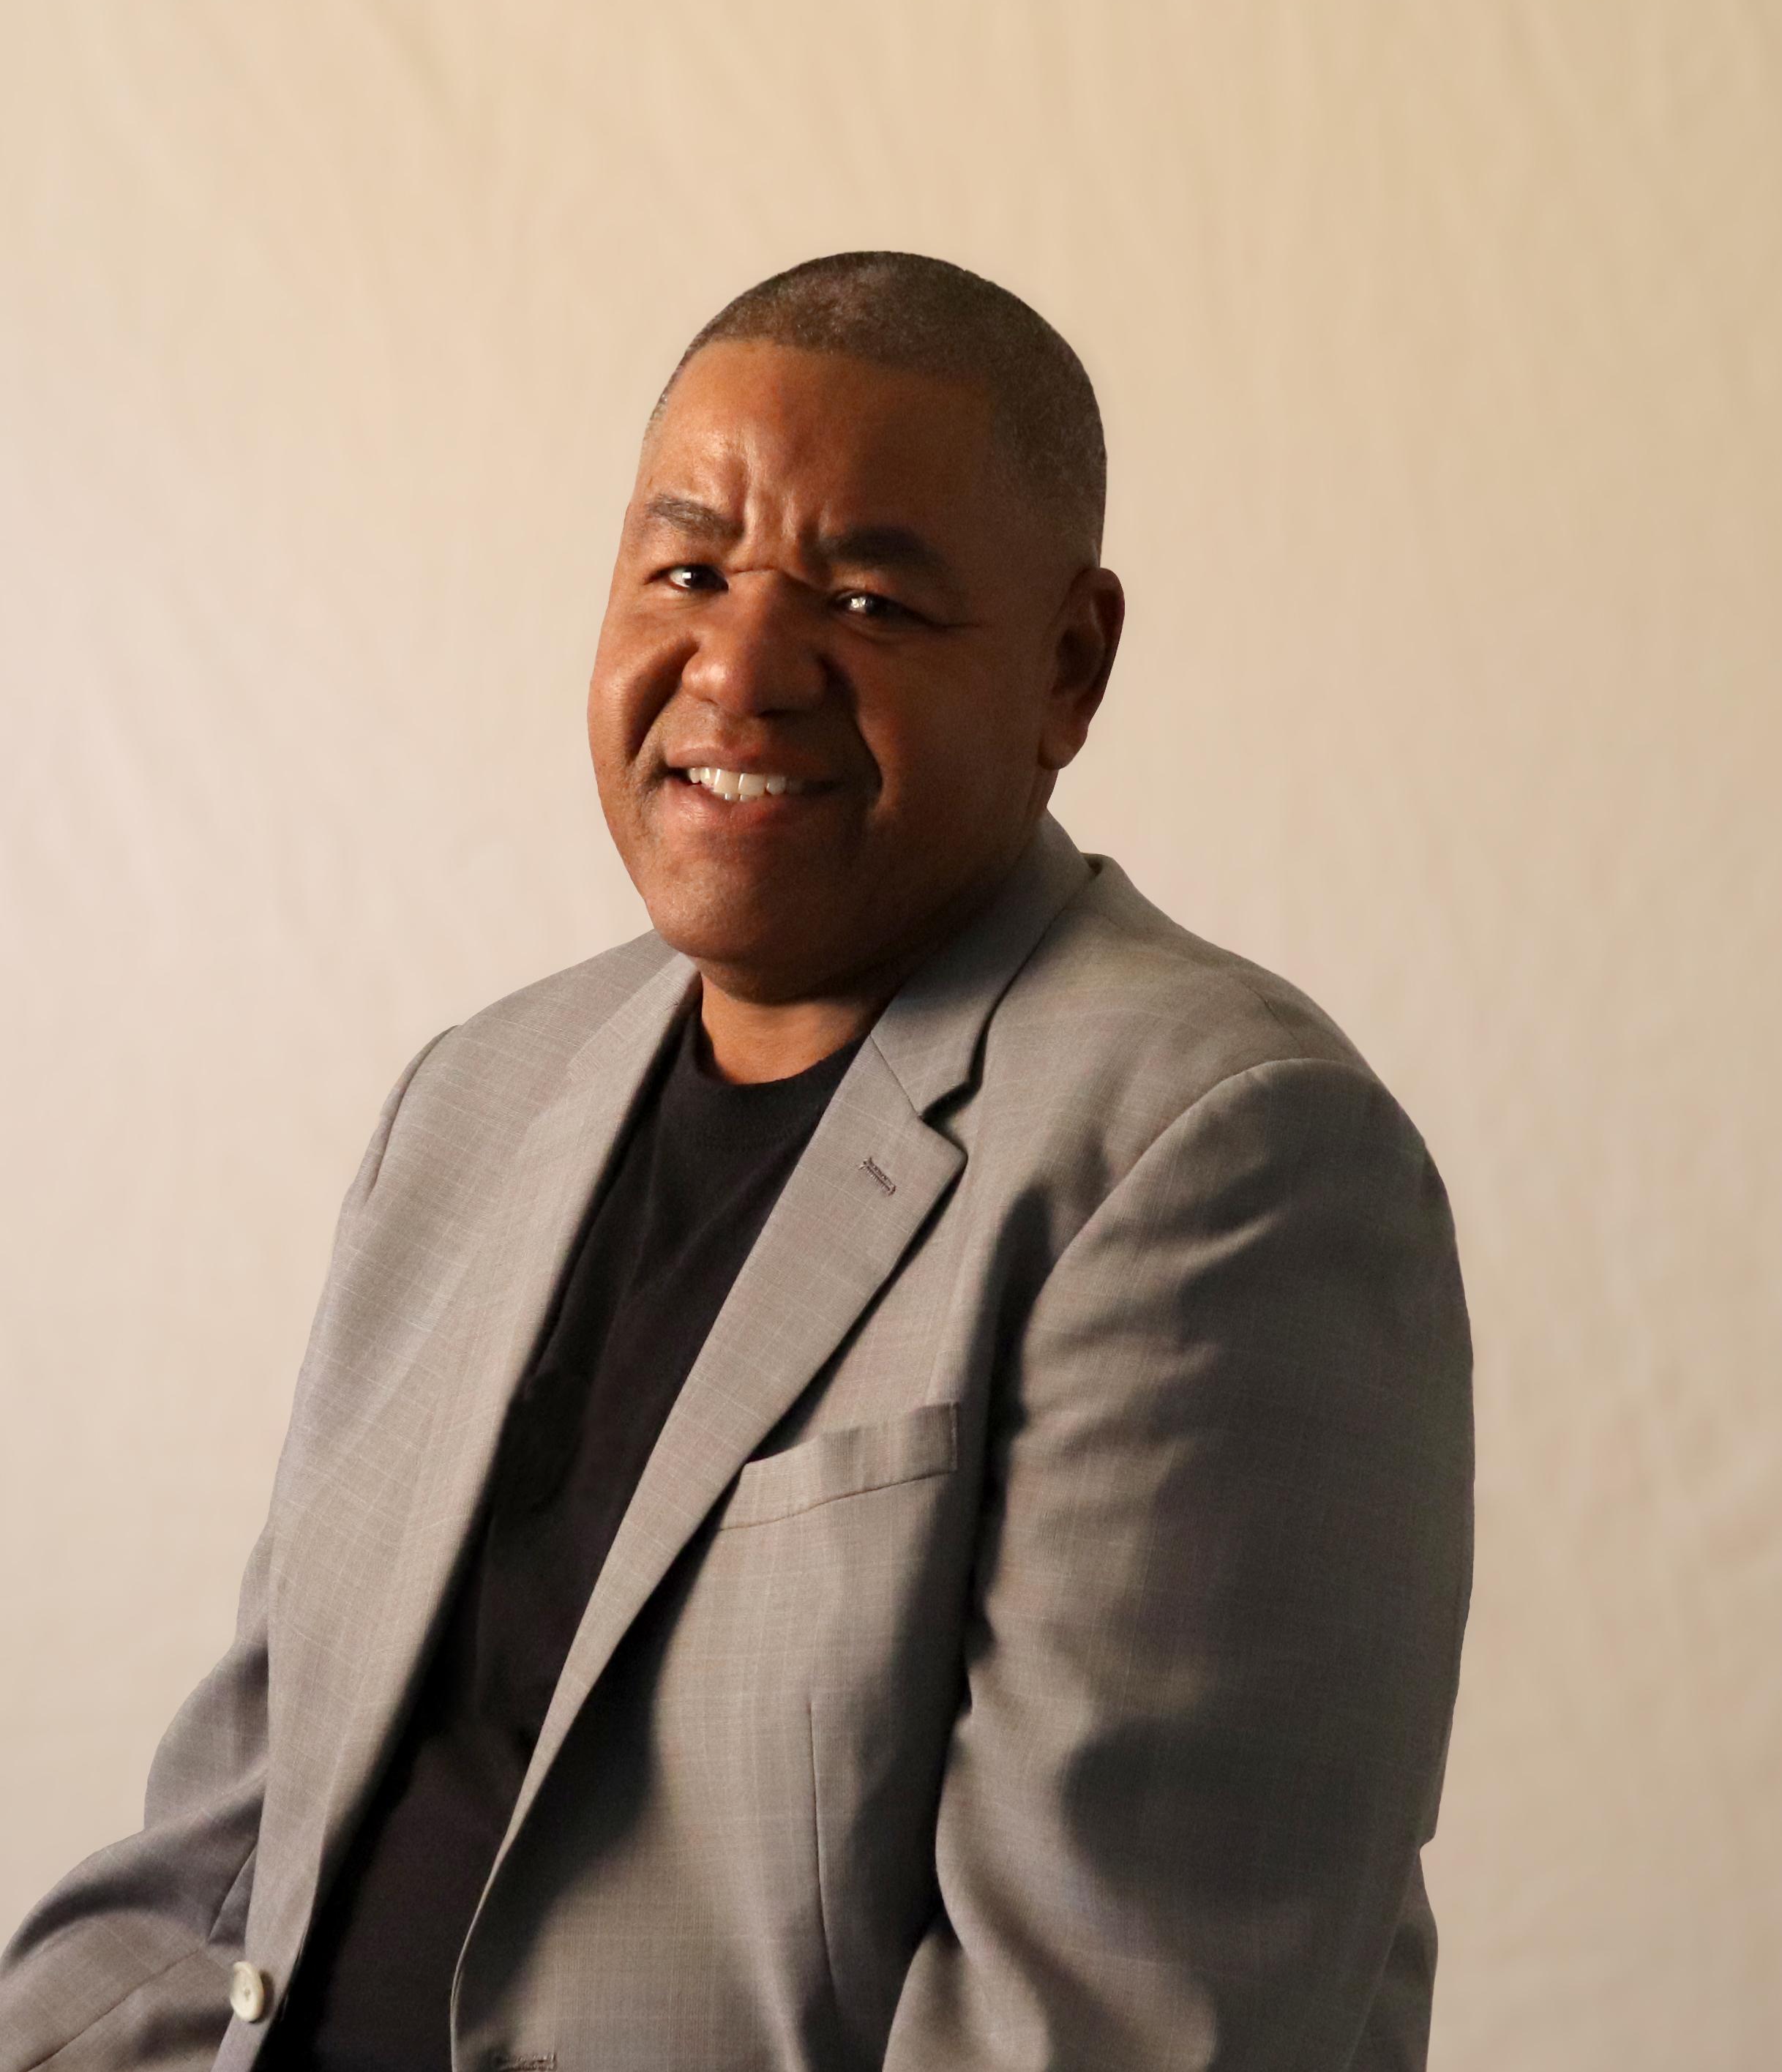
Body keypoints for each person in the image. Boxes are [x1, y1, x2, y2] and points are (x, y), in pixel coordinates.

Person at [0, 251, 1473, 2072]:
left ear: (1068, 666)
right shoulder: (475, 1099)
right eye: (689, 571)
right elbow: (233, 1853)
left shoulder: (1216, 1163)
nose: (743, 668)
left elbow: (1120, 2020)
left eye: (864, 599)